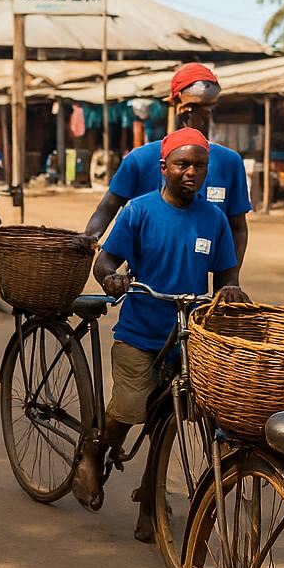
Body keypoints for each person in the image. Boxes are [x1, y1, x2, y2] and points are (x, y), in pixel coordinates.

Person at [75, 127, 250, 536]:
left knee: (169, 422)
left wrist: (230, 288)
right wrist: (111, 278)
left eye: (199, 166)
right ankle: (95, 449)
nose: (191, 172)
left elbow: (226, 274)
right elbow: (106, 262)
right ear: (163, 167)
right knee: (131, 408)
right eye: (182, 164)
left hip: (188, 339)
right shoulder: (139, 211)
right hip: (140, 333)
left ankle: (150, 508)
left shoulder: (215, 219)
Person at [85, 63, 252, 274]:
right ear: (179, 106)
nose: (204, 116)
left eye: (209, 109)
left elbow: (238, 227)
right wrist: (87, 241)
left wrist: (229, 281)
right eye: (196, 109)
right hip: (147, 275)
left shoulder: (229, 163)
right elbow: (108, 207)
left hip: (198, 275)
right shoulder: (140, 160)